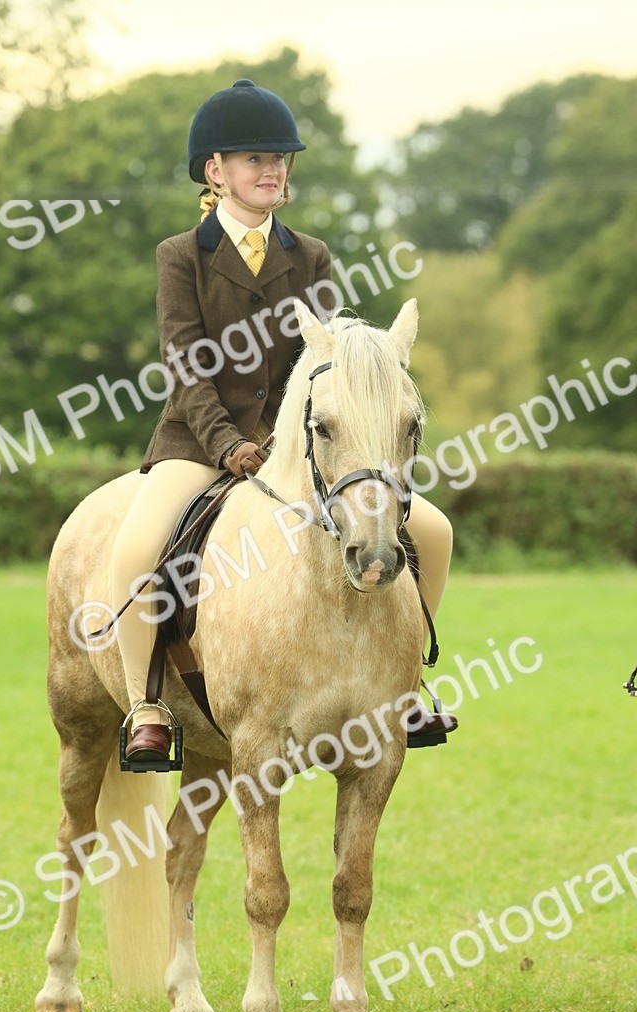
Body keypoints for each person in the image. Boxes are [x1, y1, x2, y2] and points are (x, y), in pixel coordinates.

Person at [111, 79, 456, 766]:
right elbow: (184, 365)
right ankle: (147, 706)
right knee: (135, 551)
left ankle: (407, 681)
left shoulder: (312, 256)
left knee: (434, 531)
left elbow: (323, 361)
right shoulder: (181, 256)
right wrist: (230, 443)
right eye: (254, 160)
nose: (273, 171)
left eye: (281, 159)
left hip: (296, 448)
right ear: (216, 172)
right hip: (199, 439)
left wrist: (290, 442)